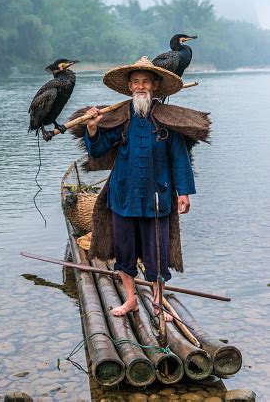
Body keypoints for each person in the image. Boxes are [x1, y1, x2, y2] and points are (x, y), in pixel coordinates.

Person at [69, 56, 211, 318]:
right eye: (136, 82)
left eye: (146, 81)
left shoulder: (166, 120)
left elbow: (179, 159)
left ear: (155, 86)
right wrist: (92, 129)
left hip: (157, 197)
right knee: (124, 251)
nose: (141, 86)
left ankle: (158, 302)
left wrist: (184, 193)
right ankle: (131, 299)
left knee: (157, 253)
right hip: (123, 196)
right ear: (130, 87)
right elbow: (99, 150)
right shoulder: (120, 118)